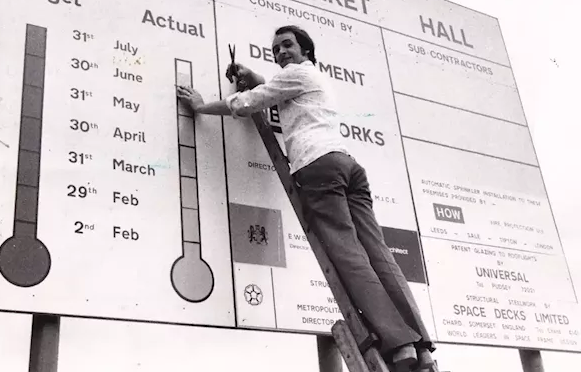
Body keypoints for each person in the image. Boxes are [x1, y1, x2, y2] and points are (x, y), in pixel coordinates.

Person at [176, 25, 436, 372]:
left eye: (288, 45)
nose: (281, 52)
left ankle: (399, 343)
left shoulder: (295, 75)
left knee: (349, 256)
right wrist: (256, 76)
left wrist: (202, 106)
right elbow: (274, 86)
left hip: (317, 166)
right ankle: (421, 346)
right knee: (379, 254)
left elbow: (250, 101)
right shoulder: (312, 76)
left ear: (306, 51)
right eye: (275, 49)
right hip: (347, 166)